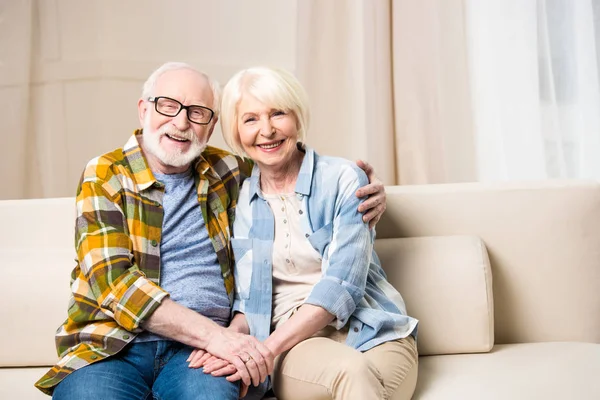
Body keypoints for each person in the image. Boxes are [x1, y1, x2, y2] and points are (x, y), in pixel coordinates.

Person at [33, 62, 387, 399]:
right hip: (114, 347)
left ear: (213, 124)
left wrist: (363, 184)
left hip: (198, 356)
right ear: (144, 110)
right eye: (168, 106)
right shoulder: (106, 174)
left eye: (197, 112)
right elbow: (115, 284)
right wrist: (220, 338)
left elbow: (286, 161)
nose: (181, 122)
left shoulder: (228, 169)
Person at [188, 67, 419, 400]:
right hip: (296, 343)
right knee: (351, 373)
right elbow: (249, 300)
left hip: (376, 331)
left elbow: (342, 287)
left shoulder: (343, 179)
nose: (266, 131)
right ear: (236, 132)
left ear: (297, 117)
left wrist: (264, 352)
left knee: (363, 380)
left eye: (277, 114)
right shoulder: (242, 201)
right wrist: (226, 344)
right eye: (250, 119)